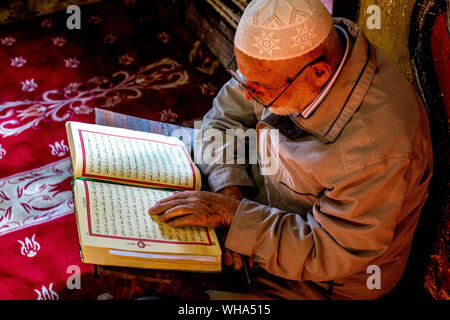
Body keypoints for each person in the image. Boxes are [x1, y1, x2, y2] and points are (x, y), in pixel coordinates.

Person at [148, 0, 433, 299]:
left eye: (258, 89)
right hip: (254, 207)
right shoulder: (287, 60)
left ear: (320, 74)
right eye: (244, 78)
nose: (248, 93)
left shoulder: (377, 150)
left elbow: (327, 251)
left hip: (320, 281)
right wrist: (229, 191)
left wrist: (238, 220)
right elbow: (224, 117)